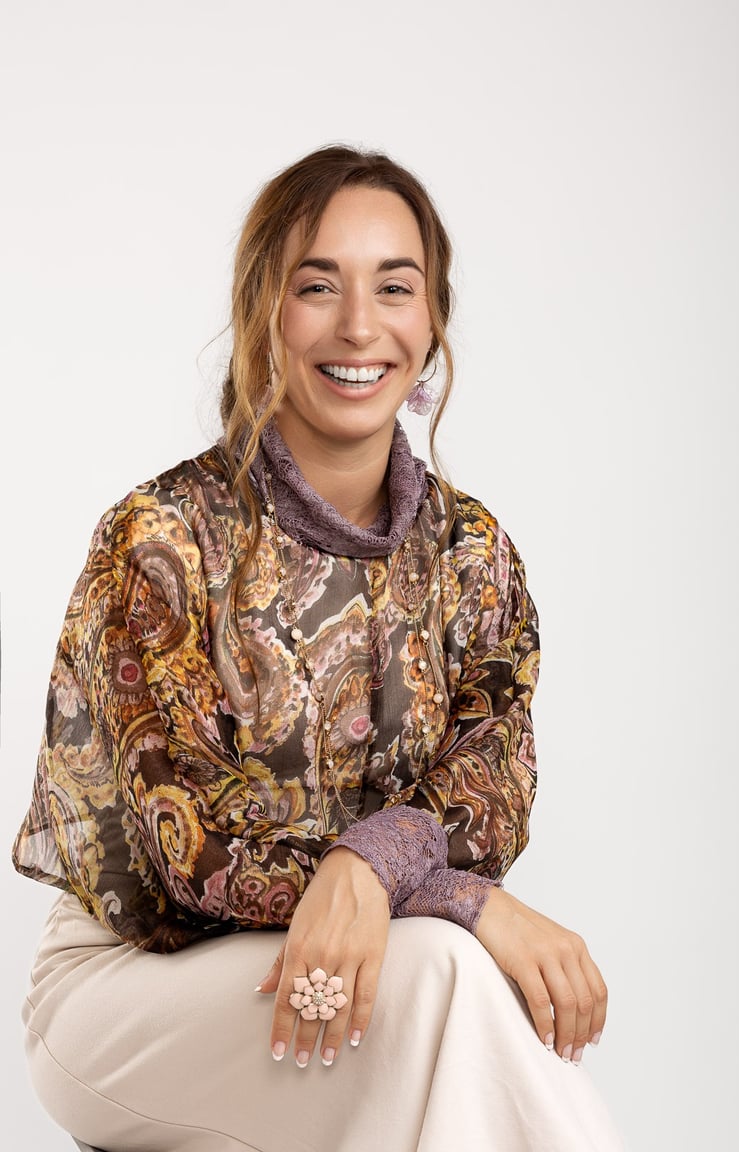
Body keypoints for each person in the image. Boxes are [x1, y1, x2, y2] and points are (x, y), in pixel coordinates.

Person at [13, 144, 625, 1151]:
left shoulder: (472, 553)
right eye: (317, 286)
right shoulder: (163, 540)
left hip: (353, 969)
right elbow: (187, 847)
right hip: (132, 985)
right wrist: (434, 892)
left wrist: (375, 871)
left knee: (450, 1018)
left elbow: (491, 792)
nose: (359, 326)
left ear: (432, 321)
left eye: (395, 287)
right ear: (265, 313)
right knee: (449, 972)